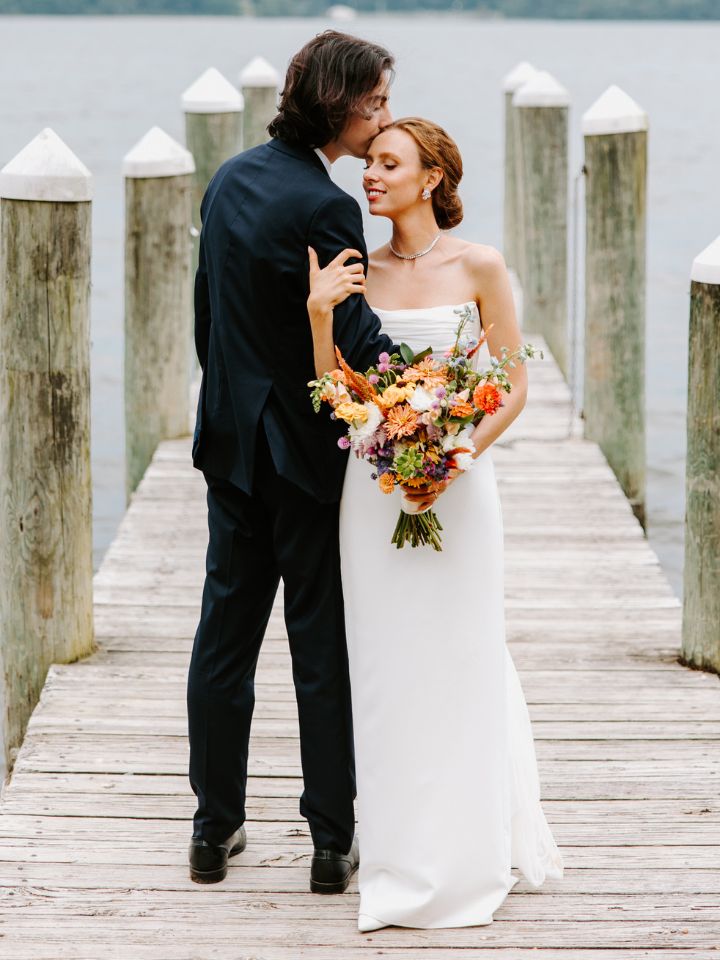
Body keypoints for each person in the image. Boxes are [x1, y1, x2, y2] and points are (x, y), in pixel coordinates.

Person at [307, 117, 564, 931]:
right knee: (383, 669)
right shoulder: (359, 270)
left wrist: (457, 456)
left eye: (389, 165)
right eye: (369, 163)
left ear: (432, 178)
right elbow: (340, 389)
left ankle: (465, 854)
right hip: (374, 490)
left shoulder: (480, 265)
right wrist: (320, 315)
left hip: (459, 489)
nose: (369, 177)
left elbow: (514, 385)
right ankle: (395, 858)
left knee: (461, 655)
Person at [186, 30, 398, 893]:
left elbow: (208, 320)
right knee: (320, 645)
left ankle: (212, 829)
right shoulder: (327, 206)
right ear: (337, 104)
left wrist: (231, 412)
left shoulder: (230, 179)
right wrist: (445, 385)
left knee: (224, 642)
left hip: (230, 445)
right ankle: (327, 843)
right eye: (375, 102)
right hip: (307, 460)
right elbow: (355, 342)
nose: (382, 118)